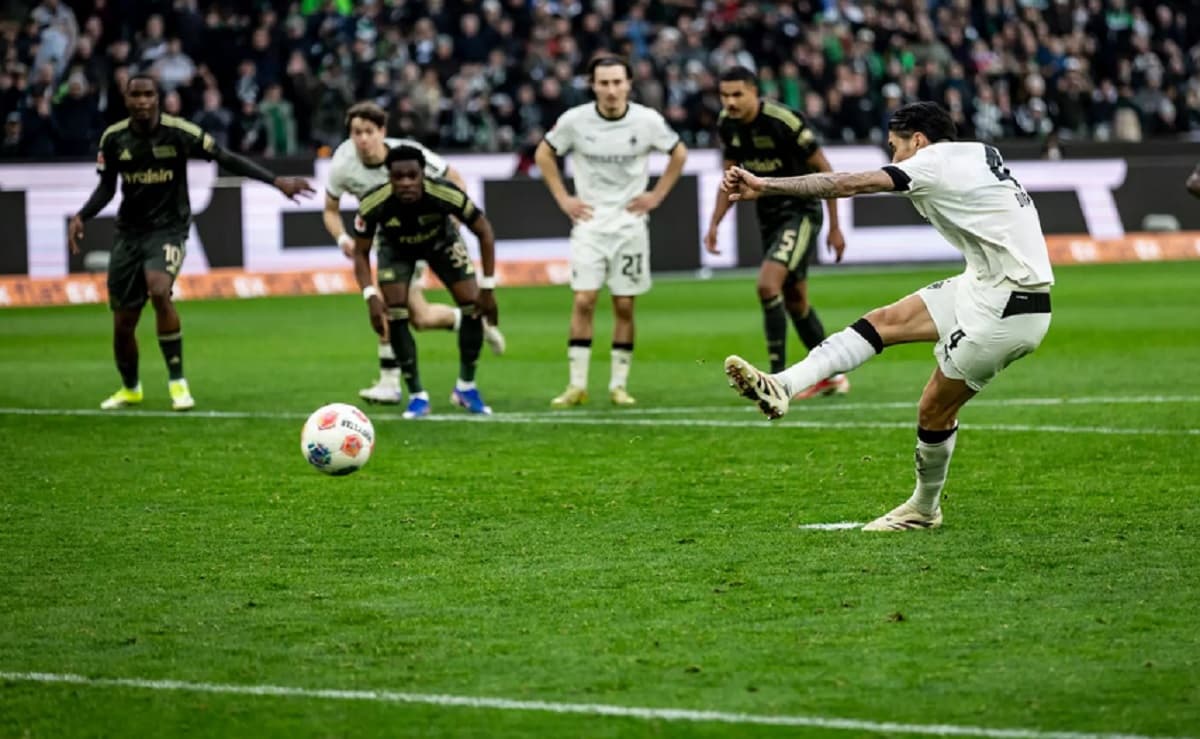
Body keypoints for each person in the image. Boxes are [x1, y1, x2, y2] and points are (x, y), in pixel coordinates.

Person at [720, 102, 1054, 531]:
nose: (892, 157)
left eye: (895, 147)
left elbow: (848, 182)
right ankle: (783, 384)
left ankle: (924, 508)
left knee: (934, 409)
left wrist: (765, 185)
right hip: (986, 283)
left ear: (919, 140)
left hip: (1010, 305)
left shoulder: (930, 162)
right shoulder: (976, 153)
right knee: (882, 322)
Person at [68, 74, 314, 411]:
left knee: (158, 289)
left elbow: (226, 157)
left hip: (169, 229)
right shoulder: (114, 139)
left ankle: (177, 382)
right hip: (129, 233)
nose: (142, 101)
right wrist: (82, 215)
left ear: (158, 98)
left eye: (148, 94)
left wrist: (276, 181)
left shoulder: (180, 132)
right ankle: (130, 388)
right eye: (135, 95)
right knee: (123, 323)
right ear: (126, 100)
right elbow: (107, 188)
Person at [324, 101, 505, 405]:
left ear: (382, 132)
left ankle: (391, 382)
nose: (363, 139)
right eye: (356, 132)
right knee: (410, 315)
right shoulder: (343, 165)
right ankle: (407, 379)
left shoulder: (409, 155)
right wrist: (344, 238)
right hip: (391, 239)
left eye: (369, 131)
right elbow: (330, 210)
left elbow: (454, 179)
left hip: (433, 233)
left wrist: (454, 218)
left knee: (408, 311)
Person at [534, 55, 688, 408]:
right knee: (584, 299)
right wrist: (563, 198)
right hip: (589, 224)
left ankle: (619, 385)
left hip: (630, 225)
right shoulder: (576, 121)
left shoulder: (647, 121)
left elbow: (678, 153)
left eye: (618, 82)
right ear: (593, 85)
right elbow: (544, 153)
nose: (611, 90)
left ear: (629, 84)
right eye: (604, 83)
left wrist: (657, 195)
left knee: (623, 305)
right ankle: (576, 385)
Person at [705, 66, 850, 399]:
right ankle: (831, 375)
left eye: (737, 94)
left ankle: (776, 379)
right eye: (724, 95)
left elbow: (825, 170)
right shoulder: (727, 126)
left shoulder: (783, 121)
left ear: (755, 92)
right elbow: (729, 179)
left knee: (767, 285)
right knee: (797, 301)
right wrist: (714, 223)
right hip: (768, 214)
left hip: (801, 211)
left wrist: (836, 226)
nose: (730, 102)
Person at [350, 145, 499, 418]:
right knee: (395, 312)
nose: (406, 183)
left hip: (441, 244)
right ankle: (417, 396)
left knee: (472, 304)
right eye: (399, 177)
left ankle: (466, 387)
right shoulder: (374, 203)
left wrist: (487, 287)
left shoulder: (444, 193)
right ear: (389, 177)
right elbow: (359, 252)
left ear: (423, 175)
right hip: (396, 252)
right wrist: (370, 295)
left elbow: (484, 230)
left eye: (412, 176)